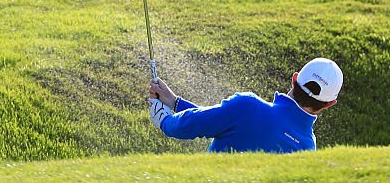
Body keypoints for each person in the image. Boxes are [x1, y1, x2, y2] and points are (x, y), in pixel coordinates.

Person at [147, 57, 343, 153]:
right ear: (329, 104)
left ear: (294, 79)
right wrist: (175, 102)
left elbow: (185, 126)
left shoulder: (248, 107)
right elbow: (224, 122)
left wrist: (164, 119)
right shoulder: (307, 150)